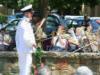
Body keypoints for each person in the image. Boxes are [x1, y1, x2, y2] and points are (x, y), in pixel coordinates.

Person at [15, 4, 36, 75]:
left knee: (24, 70)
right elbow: (26, 38)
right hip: (25, 50)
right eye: (31, 13)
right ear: (27, 13)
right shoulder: (24, 23)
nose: (32, 15)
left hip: (24, 50)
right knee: (25, 71)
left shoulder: (24, 22)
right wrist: (32, 43)